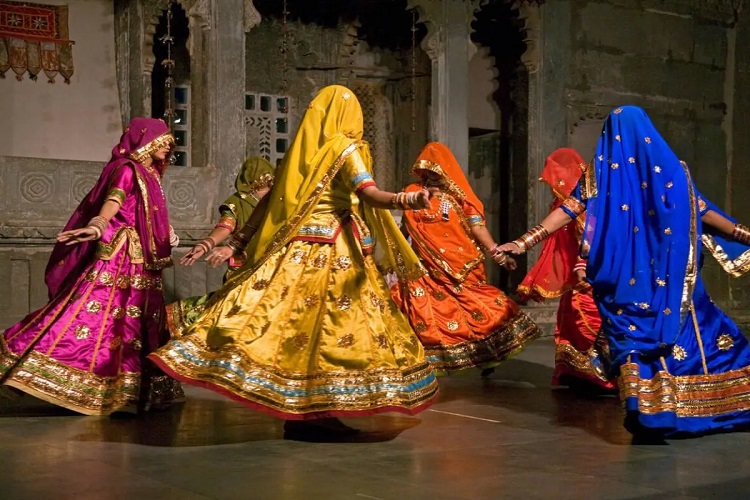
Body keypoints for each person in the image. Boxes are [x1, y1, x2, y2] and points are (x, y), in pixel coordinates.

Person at [149, 85, 439, 428]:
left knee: (287, 325)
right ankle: (320, 410)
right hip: (335, 249)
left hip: (294, 249)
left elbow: (268, 204)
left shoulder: (299, 155)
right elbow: (369, 193)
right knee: (334, 328)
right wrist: (408, 200)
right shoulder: (345, 148)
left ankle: (304, 410)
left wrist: (239, 242)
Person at [499, 106, 750, 436]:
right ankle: (709, 405)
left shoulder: (603, 176)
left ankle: (649, 413)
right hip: (673, 283)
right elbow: (704, 213)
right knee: (696, 336)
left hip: (625, 281)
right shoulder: (673, 173)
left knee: (633, 340)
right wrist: (744, 235)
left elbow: (568, 210)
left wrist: (522, 242)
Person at [0, 117, 184, 415]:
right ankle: (34, 365)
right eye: (164, 143)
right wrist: (98, 224)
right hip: (122, 255)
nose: (168, 149)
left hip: (145, 259)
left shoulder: (150, 173)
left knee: (139, 320)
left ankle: (130, 389)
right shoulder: (128, 169)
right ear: (148, 142)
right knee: (91, 312)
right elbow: (114, 200)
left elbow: (146, 211)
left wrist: (168, 232)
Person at [391, 142, 541, 375]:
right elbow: (405, 229)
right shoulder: (413, 192)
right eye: (426, 170)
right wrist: (396, 256)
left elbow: (477, 227)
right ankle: (429, 360)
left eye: (435, 169)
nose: (431, 175)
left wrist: (498, 255)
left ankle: (489, 352)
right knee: (425, 310)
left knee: (475, 305)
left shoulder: (459, 196)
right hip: (425, 265)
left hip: (460, 264)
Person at [517, 148, 615, 392]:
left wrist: (582, 264)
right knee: (571, 320)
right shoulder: (562, 204)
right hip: (575, 277)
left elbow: (591, 237)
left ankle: (604, 377)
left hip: (593, 273)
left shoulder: (588, 203)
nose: (554, 186)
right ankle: (576, 374)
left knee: (589, 319)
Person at [169, 157, 275, 331]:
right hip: (243, 268)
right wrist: (206, 245)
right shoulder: (239, 202)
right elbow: (226, 227)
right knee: (233, 313)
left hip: (272, 265)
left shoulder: (278, 202)